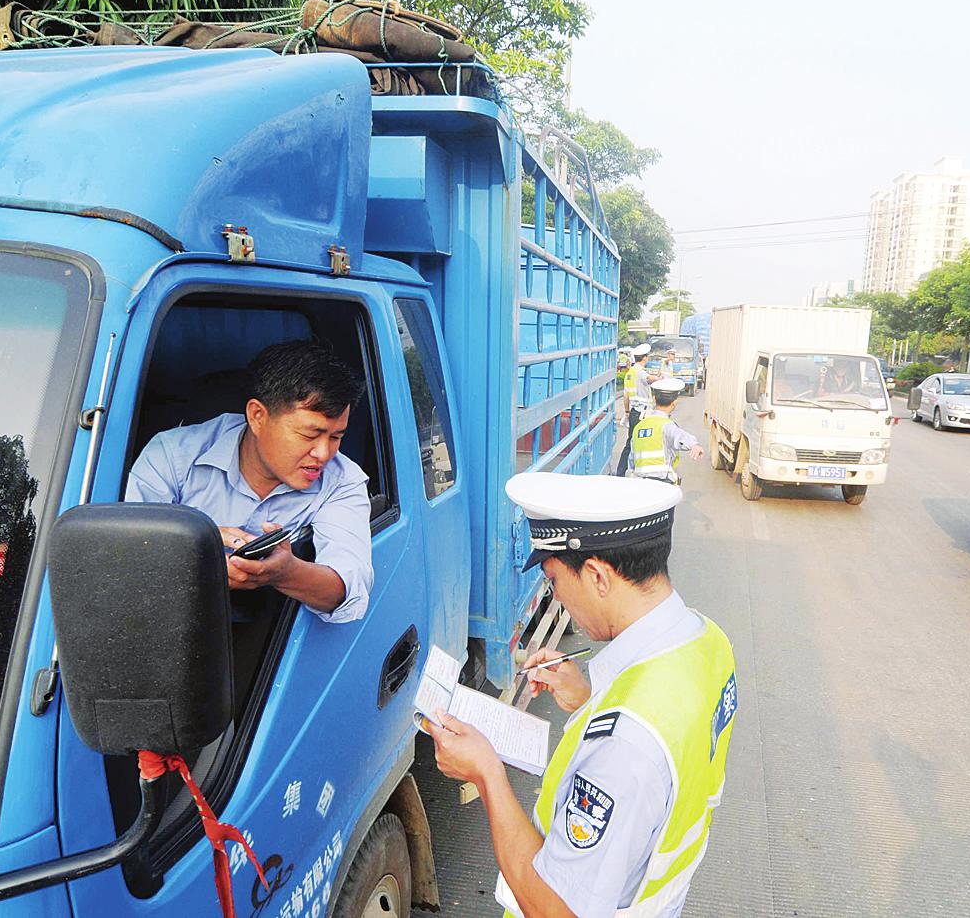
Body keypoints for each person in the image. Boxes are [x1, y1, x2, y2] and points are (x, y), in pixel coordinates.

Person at [428, 472, 737, 918]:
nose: (555, 596)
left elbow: (558, 910)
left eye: (553, 580)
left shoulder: (624, 748)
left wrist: (487, 776)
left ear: (596, 575)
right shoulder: (708, 641)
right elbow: (672, 743)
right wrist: (589, 697)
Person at [125, 340, 374, 622]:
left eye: (336, 437)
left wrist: (287, 572)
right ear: (257, 416)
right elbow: (127, 560)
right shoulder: (172, 455)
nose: (323, 453)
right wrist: (190, 544)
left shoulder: (342, 481)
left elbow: (349, 593)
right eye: (309, 435)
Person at [629, 378, 704, 484]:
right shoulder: (666, 425)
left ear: (654, 399)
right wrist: (694, 445)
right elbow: (679, 436)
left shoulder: (639, 427)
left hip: (639, 482)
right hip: (662, 483)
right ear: (674, 403)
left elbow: (631, 459)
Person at [615, 344, 661, 475]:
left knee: (630, 442)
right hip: (643, 414)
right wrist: (659, 379)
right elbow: (649, 379)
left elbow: (626, 396)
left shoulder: (629, 373)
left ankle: (621, 471)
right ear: (645, 358)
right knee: (644, 442)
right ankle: (640, 470)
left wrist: (627, 412)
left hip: (634, 412)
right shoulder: (640, 371)